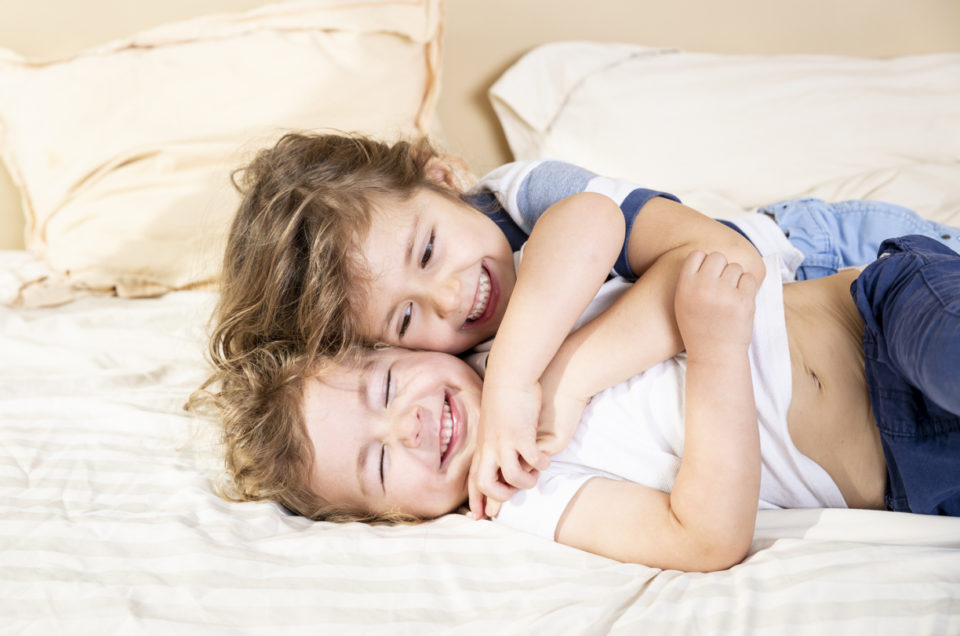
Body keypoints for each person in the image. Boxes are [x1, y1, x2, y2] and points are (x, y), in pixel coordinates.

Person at [206, 131, 960, 517]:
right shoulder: (444, 390)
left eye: (431, 248)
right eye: (406, 317)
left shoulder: (533, 199)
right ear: (379, 347)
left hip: (822, 259)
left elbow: (723, 256)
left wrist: (534, 382)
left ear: (442, 179)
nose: (450, 297)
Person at [215, 235, 960, 572]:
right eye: (378, 462)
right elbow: (704, 538)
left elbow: (603, 221)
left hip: (882, 316)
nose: (405, 425)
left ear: (405, 347)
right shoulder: (526, 501)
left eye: (385, 388)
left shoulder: (513, 324)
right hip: (905, 473)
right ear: (395, 520)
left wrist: (532, 378)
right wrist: (715, 354)